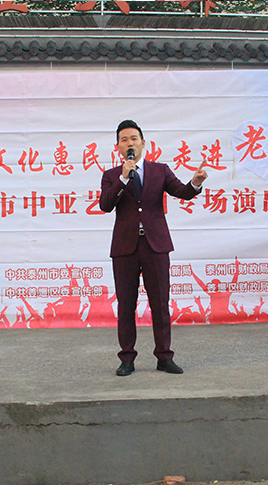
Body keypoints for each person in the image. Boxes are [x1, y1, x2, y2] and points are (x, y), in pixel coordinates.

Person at [99, 119, 208, 376]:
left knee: (160, 303)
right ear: (118, 147)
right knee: (126, 304)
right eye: (124, 140)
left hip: (155, 246)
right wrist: (123, 179)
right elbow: (105, 205)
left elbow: (182, 191)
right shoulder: (111, 175)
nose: (130, 143)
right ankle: (127, 358)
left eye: (134, 139)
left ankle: (164, 357)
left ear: (143, 143)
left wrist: (195, 183)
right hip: (125, 248)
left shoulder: (160, 170)